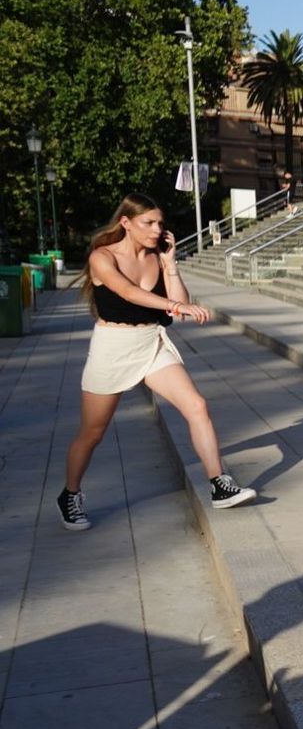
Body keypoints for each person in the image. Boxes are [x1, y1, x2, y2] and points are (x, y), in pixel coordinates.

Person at [60, 194, 255, 531]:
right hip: (113, 347)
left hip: (151, 342)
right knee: (92, 433)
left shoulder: (156, 258)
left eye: (160, 223)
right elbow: (129, 293)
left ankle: (219, 484)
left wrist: (170, 265)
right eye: (148, 223)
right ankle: (70, 494)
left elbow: (178, 304)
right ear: (126, 223)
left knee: (197, 405)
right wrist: (177, 307)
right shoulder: (102, 257)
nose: (157, 229)